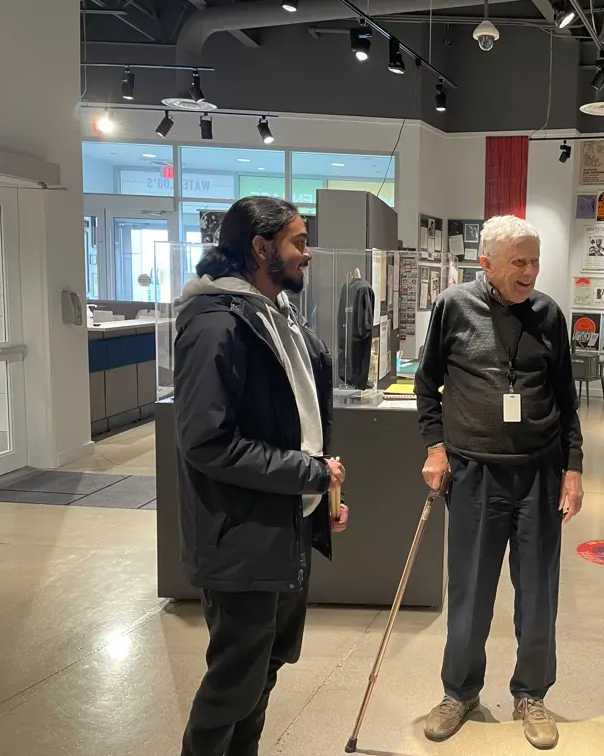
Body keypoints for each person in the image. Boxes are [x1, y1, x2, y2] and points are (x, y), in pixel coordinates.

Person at [172, 196, 349, 756]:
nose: (308, 253)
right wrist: (309, 474)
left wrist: (322, 493)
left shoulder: (275, 314)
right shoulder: (213, 322)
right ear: (259, 247)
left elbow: (297, 415)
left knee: (263, 672)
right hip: (240, 537)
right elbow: (207, 441)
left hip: (281, 528)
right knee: (232, 684)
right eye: (298, 242)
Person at [415, 214, 584, 749]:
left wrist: (573, 468)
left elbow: (566, 400)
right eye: (519, 261)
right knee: (470, 590)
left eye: (535, 260)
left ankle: (531, 693)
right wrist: (436, 447)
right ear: (485, 262)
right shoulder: (453, 307)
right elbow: (427, 385)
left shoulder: (549, 315)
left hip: (539, 473)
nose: (530, 271)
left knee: (538, 593)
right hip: (474, 474)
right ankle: (460, 692)